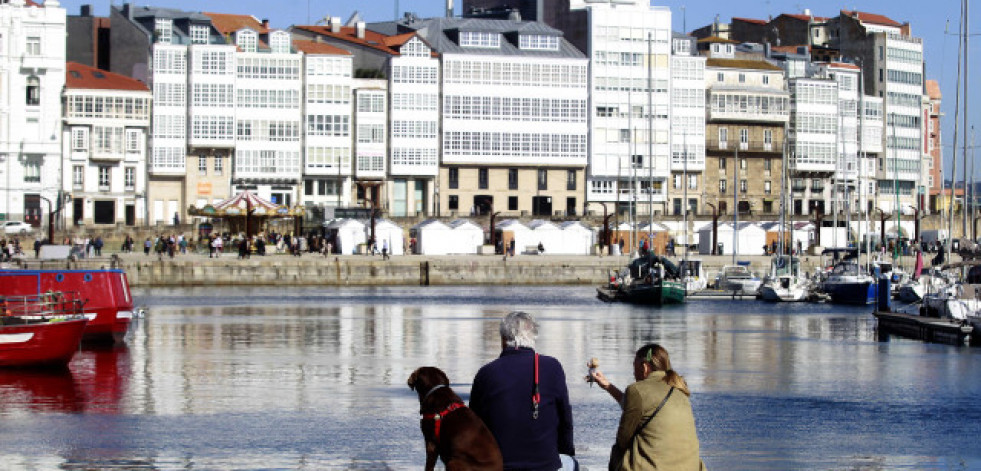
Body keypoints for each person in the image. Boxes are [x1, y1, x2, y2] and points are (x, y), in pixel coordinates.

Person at [470, 311, 576, 471]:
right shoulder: (552, 367)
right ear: (534, 337)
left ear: (504, 339)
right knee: (571, 463)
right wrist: (565, 453)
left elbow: (474, 426)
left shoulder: (486, 373)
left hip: (498, 466)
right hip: (546, 466)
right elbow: (565, 422)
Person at [589, 344, 704, 471]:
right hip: (690, 467)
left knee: (619, 451)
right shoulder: (680, 391)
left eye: (634, 368)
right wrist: (608, 386)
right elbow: (644, 406)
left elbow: (623, 439)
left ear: (644, 367)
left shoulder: (637, 389)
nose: (634, 374)